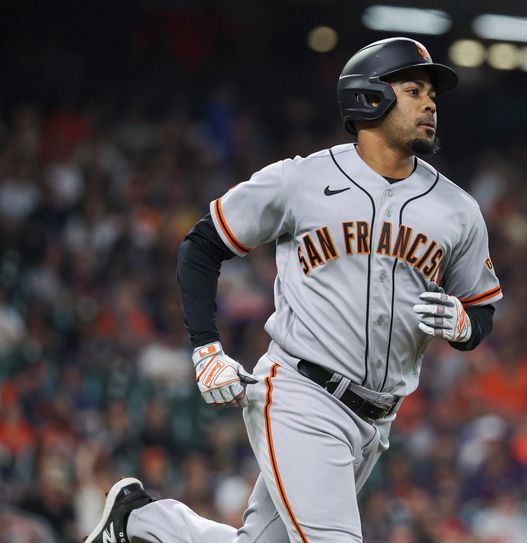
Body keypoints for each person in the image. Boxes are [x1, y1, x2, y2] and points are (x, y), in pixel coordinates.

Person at [85, 36, 502, 543]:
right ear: (370, 97)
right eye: (414, 89)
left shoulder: (457, 210)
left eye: (433, 94)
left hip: (377, 420)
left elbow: (480, 314)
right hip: (301, 395)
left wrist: (463, 325)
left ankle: (140, 520)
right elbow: (201, 246)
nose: (431, 102)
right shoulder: (302, 180)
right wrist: (205, 348)